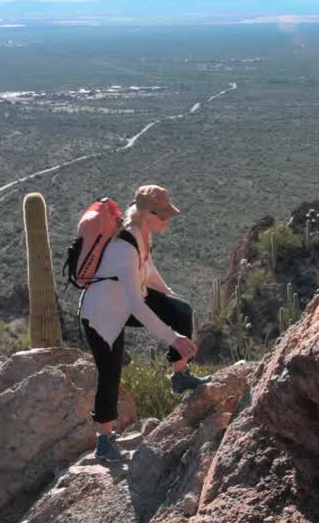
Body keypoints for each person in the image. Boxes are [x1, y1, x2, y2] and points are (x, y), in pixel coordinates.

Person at [79, 184, 206, 462]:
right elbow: (136, 304)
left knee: (181, 311)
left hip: (124, 304)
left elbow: (148, 272)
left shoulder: (142, 236)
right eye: (163, 215)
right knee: (110, 371)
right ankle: (104, 441)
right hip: (102, 314)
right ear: (146, 214)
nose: (167, 219)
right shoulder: (124, 247)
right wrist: (172, 337)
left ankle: (179, 376)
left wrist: (172, 297)